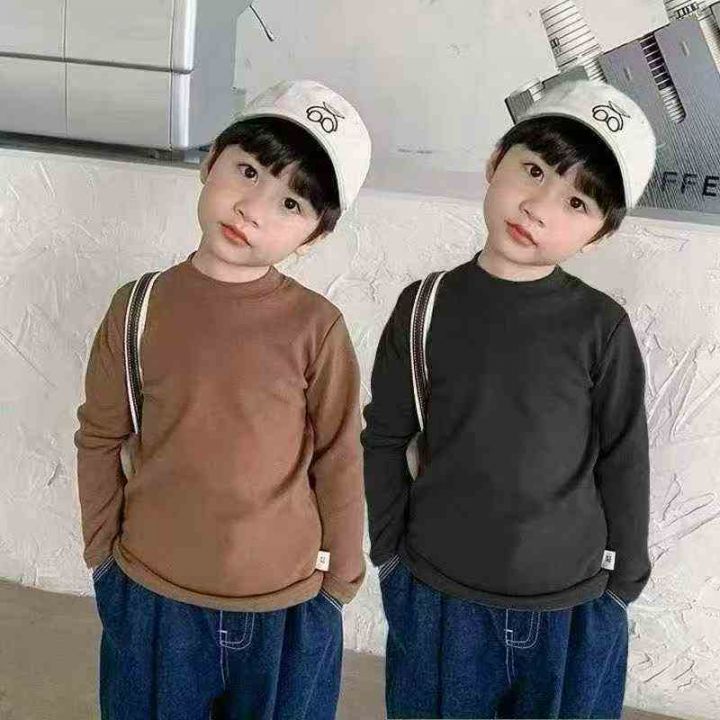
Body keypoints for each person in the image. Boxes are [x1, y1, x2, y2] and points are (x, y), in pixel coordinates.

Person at [75, 79, 371, 720]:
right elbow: (100, 436)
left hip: (288, 609)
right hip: (153, 598)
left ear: (314, 234)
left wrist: (340, 582)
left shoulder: (316, 327)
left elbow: (340, 455)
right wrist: (102, 557)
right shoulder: (138, 307)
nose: (253, 209)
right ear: (211, 162)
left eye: (290, 202)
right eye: (248, 171)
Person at [362, 79, 656, 719]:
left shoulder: (600, 326)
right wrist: (389, 555)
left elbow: (624, 455)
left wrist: (623, 583)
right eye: (534, 170)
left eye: (576, 201)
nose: (539, 207)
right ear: (496, 161)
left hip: (573, 606)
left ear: (600, 233)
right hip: (439, 597)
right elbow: (384, 436)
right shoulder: (424, 306)